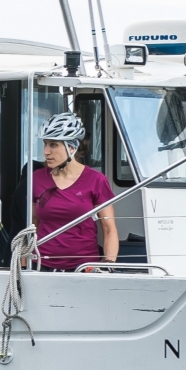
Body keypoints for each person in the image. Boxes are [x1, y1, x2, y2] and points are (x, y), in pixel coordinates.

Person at [31, 112, 119, 271]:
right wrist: (24, 265)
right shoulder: (36, 179)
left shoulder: (96, 180)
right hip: (41, 265)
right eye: (45, 144)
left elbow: (109, 229)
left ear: (72, 147)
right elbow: (32, 226)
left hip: (84, 267)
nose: (46, 151)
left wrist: (108, 265)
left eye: (53, 145)